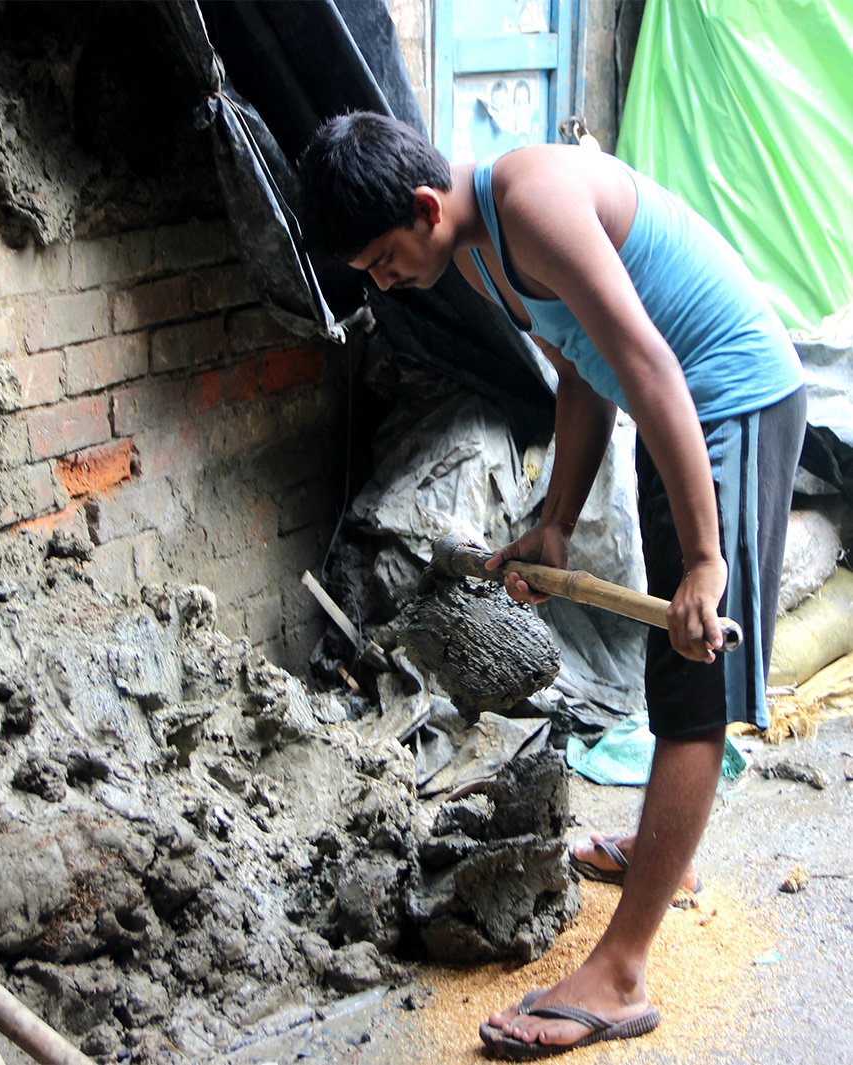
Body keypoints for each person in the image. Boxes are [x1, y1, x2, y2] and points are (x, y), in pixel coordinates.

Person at [298, 112, 805, 1058]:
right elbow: (586, 365)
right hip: (676, 405)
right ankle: (670, 853)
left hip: (725, 397)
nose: (381, 283)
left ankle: (620, 974)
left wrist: (704, 561)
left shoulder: (529, 201)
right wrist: (557, 521)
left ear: (421, 207)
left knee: (694, 678)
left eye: (379, 261)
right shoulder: (481, 242)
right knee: (674, 667)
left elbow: (649, 362)